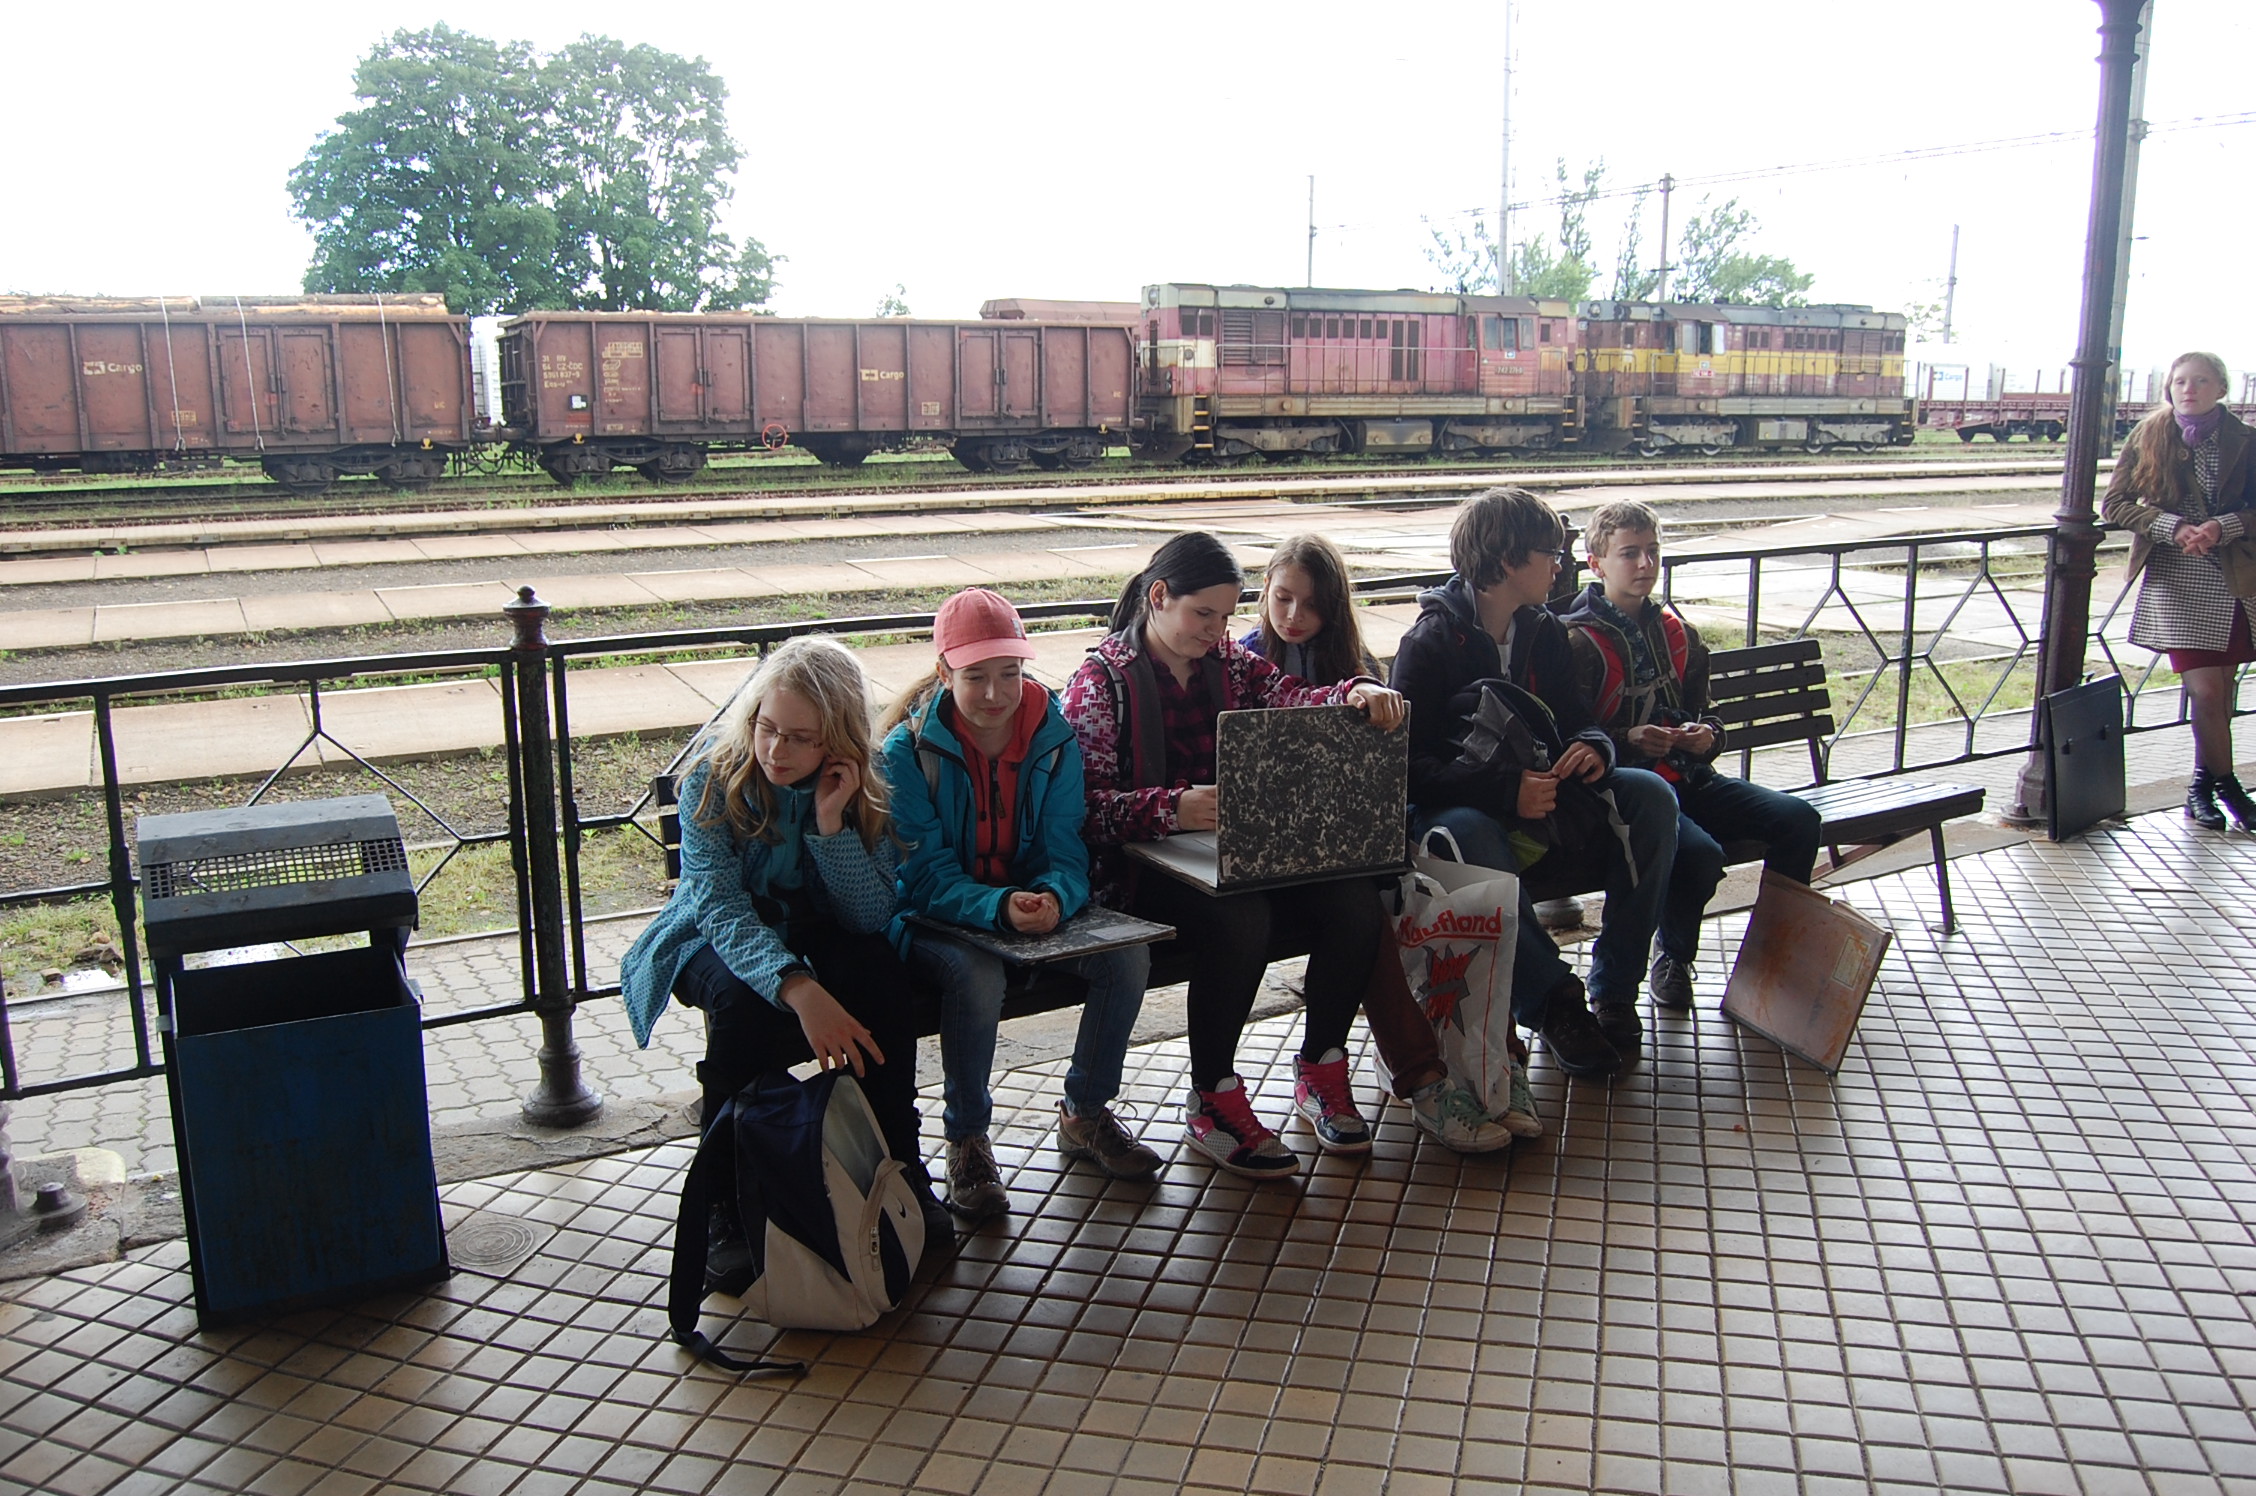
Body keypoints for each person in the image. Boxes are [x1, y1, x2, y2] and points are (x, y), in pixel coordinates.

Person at [1063, 531, 1408, 1179]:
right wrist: (1174, 808)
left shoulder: (1227, 661)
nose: (1217, 630)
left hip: (1228, 854)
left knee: (1355, 903)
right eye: (1203, 614)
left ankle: (1321, 1068)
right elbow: (1082, 811)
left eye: (1225, 616)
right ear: (1158, 597)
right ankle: (1213, 1097)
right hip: (1139, 871)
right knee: (1242, 918)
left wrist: (1353, 692)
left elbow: (1292, 696)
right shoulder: (1102, 683)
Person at [618, 635, 949, 1243]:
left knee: (878, 976)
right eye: (767, 728)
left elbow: (869, 916)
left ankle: (897, 1168)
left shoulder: (866, 783)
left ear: (838, 741)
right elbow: (719, 908)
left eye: (800, 738)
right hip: (710, 935)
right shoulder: (712, 779)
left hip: (815, 929)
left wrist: (830, 823)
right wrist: (798, 988)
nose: (775, 749)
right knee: (742, 1006)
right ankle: (722, 1197)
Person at [878, 588, 1161, 1222]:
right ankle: (968, 1138)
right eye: (975, 676)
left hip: (1025, 906)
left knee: (1127, 958)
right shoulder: (906, 752)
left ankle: (1085, 1113)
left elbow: (1065, 847)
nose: (995, 693)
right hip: (934, 918)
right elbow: (923, 876)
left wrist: (1056, 896)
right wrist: (1001, 906)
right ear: (945, 672)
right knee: (976, 977)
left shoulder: (1053, 738)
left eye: (1009, 673)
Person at [1241, 535, 1524, 1150]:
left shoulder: (1356, 665)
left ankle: (1494, 1063)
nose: (1293, 616)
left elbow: (1386, 776)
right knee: (1366, 912)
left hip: (1357, 842)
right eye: (1282, 598)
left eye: (1311, 604)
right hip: (1281, 855)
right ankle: (1427, 1078)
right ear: (1263, 591)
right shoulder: (1243, 661)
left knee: (1440, 887)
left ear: (1335, 606)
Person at [1388, 486, 1679, 1077]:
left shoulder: (1543, 630)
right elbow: (1408, 771)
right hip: (1459, 811)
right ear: (1506, 561)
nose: (1560, 565)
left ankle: (1615, 990)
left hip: (1545, 797)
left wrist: (1593, 747)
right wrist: (1505, 792)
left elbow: (1577, 719)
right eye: (1551, 553)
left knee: (1651, 796)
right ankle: (1555, 1005)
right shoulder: (1431, 642)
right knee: (1470, 832)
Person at [1558, 500, 1824, 1008]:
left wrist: (1707, 738)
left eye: (1653, 552)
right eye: (1629, 553)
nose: (1645, 565)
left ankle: (1774, 956)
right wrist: (1628, 739)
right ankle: (1673, 957)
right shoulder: (1576, 642)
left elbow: (1709, 715)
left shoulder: (1678, 633)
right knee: (1698, 855)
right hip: (1628, 793)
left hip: (1691, 779)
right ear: (1596, 564)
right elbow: (1568, 734)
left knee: (1798, 820)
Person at [2101, 351, 2256, 831]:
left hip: (2233, 578)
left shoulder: (2246, 440)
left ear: (2221, 389)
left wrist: (2223, 526)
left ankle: (2199, 788)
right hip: (2177, 578)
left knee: (2220, 692)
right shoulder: (2148, 434)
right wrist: (2172, 526)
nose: (2189, 389)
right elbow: (2115, 504)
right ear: (2169, 387)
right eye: (2180, 381)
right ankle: (2229, 789)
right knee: (2206, 691)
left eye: (2201, 381)